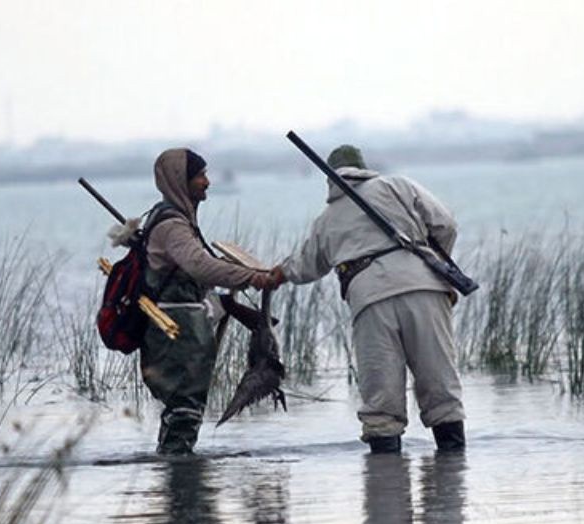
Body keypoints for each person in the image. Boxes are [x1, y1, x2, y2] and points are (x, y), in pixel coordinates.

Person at [266, 145, 465, 454]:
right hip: (426, 290)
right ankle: (453, 474)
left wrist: (276, 274)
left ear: (329, 179)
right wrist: (430, 262)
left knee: (381, 400)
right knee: (441, 387)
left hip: (370, 300)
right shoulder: (398, 185)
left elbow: (307, 265)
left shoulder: (327, 219)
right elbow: (446, 224)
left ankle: (386, 481)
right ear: (363, 167)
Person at [141, 148, 275, 455]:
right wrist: (251, 277)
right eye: (199, 175)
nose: (207, 181)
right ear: (180, 181)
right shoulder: (172, 226)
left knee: (181, 410)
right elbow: (199, 265)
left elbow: (196, 269)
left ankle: (176, 475)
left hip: (178, 327)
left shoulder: (170, 219)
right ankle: (183, 483)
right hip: (177, 331)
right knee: (185, 409)